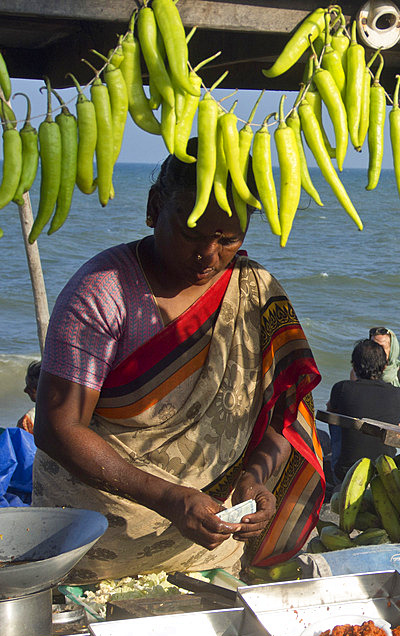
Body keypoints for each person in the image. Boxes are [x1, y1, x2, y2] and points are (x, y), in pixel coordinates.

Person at [31, 140, 325, 584]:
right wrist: (169, 497)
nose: (208, 254)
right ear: (154, 208)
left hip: (205, 551)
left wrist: (254, 478)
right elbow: (58, 427)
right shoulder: (101, 291)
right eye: (191, 232)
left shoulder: (255, 292)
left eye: (228, 239)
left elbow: (284, 413)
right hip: (95, 549)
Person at [327, 339, 400, 480]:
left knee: (335, 418)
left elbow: (330, 410)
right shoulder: (398, 393)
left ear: (354, 366)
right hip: (384, 471)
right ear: (385, 366)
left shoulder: (342, 388)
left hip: (346, 472)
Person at [353, 326, 400, 427]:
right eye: (374, 346)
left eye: (381, 347)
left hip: (395, 426)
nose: (376, 352)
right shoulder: (357, 372)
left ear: (392, 349)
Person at [16, 360, 41, 434]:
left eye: (29, 386)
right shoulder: (71, 411)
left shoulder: (28, 419)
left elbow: (22, 444)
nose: (25, 390)